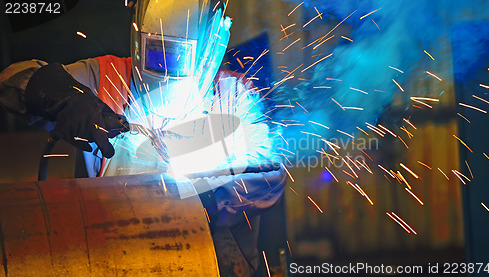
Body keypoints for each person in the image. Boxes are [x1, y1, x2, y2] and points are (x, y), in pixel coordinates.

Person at [0, 0, 285, 276]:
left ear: (212, 43)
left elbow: (269, 175)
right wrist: (62, 96)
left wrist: (203, 201)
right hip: (112, 259)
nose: (164, 69)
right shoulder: (105, 78)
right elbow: (10, 82)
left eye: (177, 56)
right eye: (156, 54)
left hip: (215, 266)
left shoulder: (236, 96)